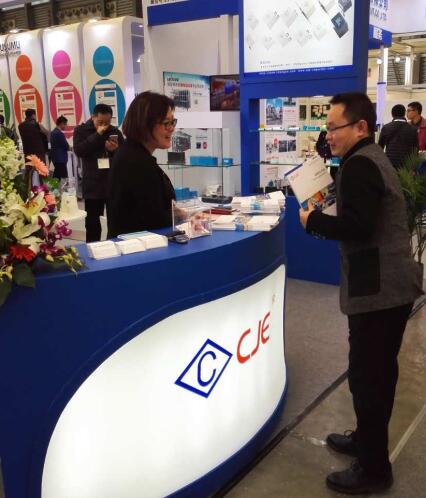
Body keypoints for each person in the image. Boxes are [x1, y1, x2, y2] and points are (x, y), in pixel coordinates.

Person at [299, 93, 423, 495]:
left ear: (361, 127)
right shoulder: (367, 158)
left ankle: (374, 469)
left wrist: (312, 220)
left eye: (333, 128)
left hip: (379, 290)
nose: (328, 135)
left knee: (369, 377)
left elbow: (358, 227)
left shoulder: (361, 165)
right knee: (374, 373)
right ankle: (367, 441)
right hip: (387, 286)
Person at [107, 92, 176, 238]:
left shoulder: (130, 153)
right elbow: (154, 219)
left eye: (173, 122)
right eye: (166, 123)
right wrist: (181, 216)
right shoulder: (137, 162)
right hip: (138, 246)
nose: (171, 128)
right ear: (145, 124)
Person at [73, 104, 123, 242]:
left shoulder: (114, 131)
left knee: (115, 221)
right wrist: (98, 135)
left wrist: (114, 150)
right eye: (100, 122)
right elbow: (79, 150)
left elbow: (124, 155)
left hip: (111, 183)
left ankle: (114, 246)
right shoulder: (81, 130)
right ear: (93, 117)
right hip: (92, 183)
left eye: (107, 122)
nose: (104, 126)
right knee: (92, 223)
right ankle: (92, 248)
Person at [378, 104, 418, 169]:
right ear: (404, 114)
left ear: (392, 114)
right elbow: (415, 150)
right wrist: (414, 167)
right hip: (406, 165)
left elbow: (380, 148)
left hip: (390, 163)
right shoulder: (412, 129)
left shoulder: (386, 128)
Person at [50, 115, 70, 180]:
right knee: (63, 179)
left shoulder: (52, 133)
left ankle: (53, 186)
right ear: (61, 124)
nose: (66, 126)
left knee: (56, 178)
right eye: (65, 124)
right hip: (61, 159)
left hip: (55, 159)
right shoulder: (59, 134)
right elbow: (66, 146)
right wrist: (69, 147)